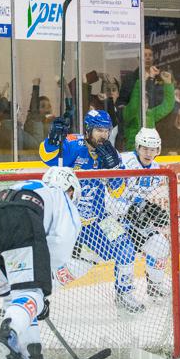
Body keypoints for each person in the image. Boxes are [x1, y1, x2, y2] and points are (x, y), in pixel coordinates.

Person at [0, 167, 83, 359]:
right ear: (71, 190)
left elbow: (19, 299)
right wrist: (42, 287)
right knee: (31, 294)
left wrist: (35, 297)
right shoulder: (62, 196)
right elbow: (61, 245)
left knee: (14, 300)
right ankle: (8, 334)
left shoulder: (28, 185)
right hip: (19, 220)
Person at [40, 109, 146, 314]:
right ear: (88, 129)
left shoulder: (110, 153)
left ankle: (124, 294)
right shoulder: (72, 144)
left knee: (125, 246)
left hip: (98, 219)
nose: (104, 135)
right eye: (99, 130)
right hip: (69, 219)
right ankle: (35, 295)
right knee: (74, 266)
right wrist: (52, 141)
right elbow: (47, 157)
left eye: (106, 130)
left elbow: (118, 192)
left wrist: (114, 168)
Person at [119, 127, 171, 298]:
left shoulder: (156, 170)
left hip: (131, 219)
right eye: (145, 148)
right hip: (112, 218)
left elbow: (138, 198)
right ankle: (123, 293)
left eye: (153, 149)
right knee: (124, 252)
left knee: (161, 245)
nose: (149, 153)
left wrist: (149, 210)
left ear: (158, 150)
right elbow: (109, 192)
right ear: (138, 147)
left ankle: (154, 286)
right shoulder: (124, 162)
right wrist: (129, 209)